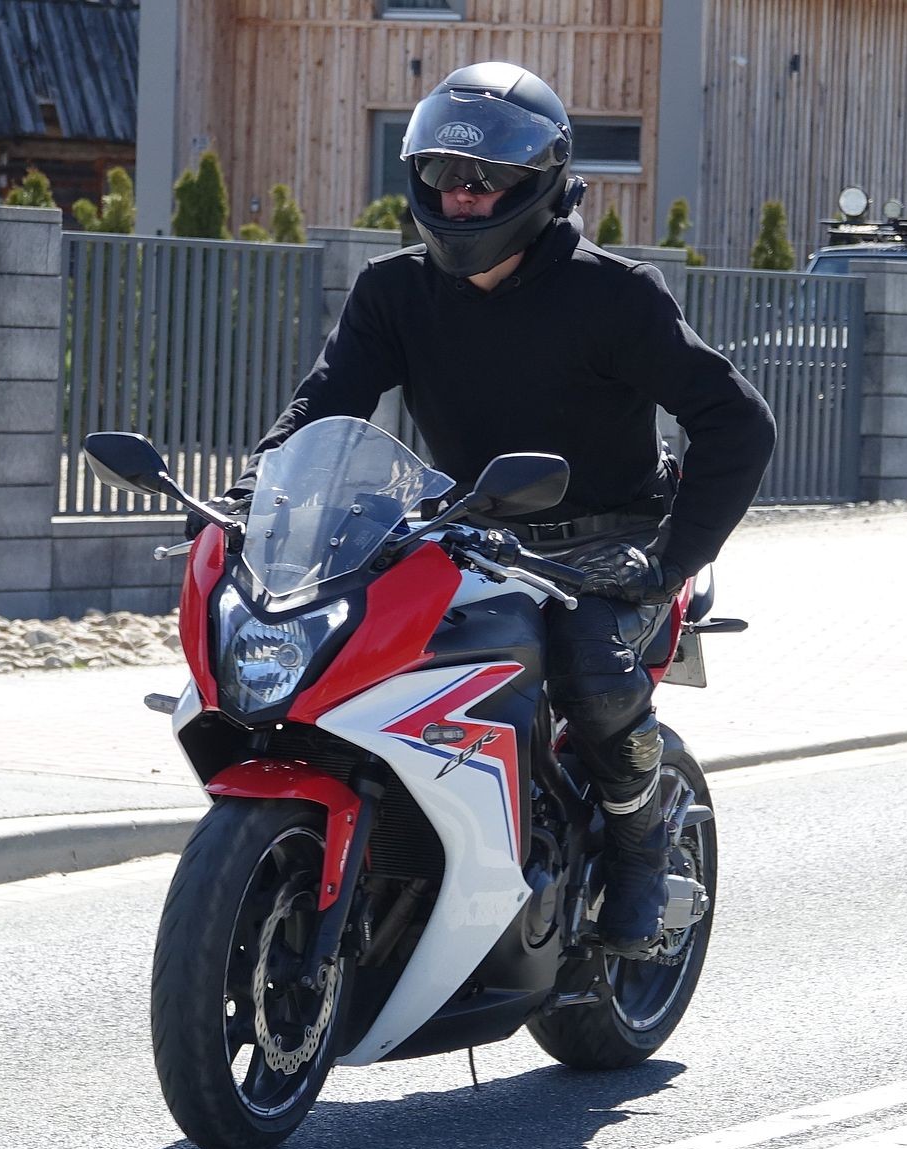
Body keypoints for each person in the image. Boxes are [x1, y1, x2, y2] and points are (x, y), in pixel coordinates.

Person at [203, 62, 776, 957]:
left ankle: (638, 853)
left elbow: (738, 422)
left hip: (605, 545)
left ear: (541, 181)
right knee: (349, 655)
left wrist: (669, 560)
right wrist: (250, 497)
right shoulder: (393, 292)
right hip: (466, 534)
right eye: (443, 171)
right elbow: (324, 405)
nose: (463, 193)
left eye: (488, 174)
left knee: (589, 668)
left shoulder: (615, 295)